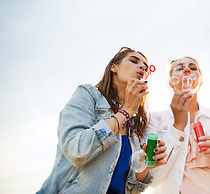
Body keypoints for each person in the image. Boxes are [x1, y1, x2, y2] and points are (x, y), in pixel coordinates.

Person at [37, 47, 167, 194]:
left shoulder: (133, 125)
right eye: (134, 61)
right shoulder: (88, 95)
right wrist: (126, 112)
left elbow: (131, 189)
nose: (142, 67)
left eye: (145, 66)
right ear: (114, 67)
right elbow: (77, 150)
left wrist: (144, 166)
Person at [144, 56, 210, 194]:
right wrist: (178, 127)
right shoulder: (155, 119)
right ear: (171, 82)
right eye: (179, 68)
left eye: (193, 68)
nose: (186, 69)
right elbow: (151, 179)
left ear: (201, 81)